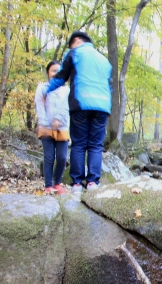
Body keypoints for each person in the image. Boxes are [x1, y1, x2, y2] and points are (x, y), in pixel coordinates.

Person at [44, 31, 112, 193]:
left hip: (81, 103)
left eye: (71, 44)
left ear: (76, 40)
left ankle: (77, 184)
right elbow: (110, 87)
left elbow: (61, 77)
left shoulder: (75, 52)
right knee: (96, 145)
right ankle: (93, 183)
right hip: (102, 106)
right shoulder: (104, 60)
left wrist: (46, 90)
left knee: (79, 144)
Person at [35, 61, 70, 195]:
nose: (56, 73)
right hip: (45, 127)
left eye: (58, 71)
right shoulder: (42, 88)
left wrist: (58, 120)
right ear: (48, 73)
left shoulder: (67, 90)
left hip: (62, 127)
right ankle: (48, 185)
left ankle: (57, 183)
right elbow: (40, 106)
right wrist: (45, 124)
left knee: (61, 157)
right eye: (53, 71)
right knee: (49, 157)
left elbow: (66, 107)